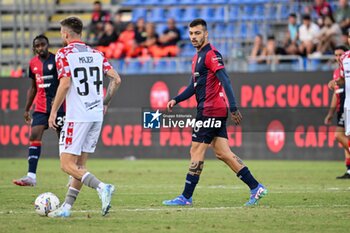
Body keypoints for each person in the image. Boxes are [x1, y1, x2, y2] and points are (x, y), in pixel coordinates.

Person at [162, 18, 267, 207]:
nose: (194, 37)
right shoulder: (196, 58)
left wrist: (233, 107)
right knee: (223, 153)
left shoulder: (211, 54)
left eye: (198, 33)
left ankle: (186, 197)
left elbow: (225, 80)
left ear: (206, 34)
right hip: (213, 109)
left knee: (196, 150)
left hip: (210, 109)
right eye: (191, 33)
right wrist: (176, 99)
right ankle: (255, 187)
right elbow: (193, 86)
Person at [47, 16, 121, 217]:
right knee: (79, 166)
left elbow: (65, 83)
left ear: (65, 34)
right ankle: (67, 208)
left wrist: (53, 111)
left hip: (77, 116)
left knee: (66, 165)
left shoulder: (63, 54)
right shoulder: (96, 53)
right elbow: (116, 78)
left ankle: (102, 187)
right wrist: (105, 103)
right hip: (96, 114)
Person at [13, 35, 65, 187]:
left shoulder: (56, 60)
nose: (41, 47)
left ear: (48, 45)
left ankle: (71, 175)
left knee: (62, 139)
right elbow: (34, 87)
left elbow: (64, 82)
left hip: (59, 106)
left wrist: (57, 98)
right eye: (38, 46)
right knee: (34, 135)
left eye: (43, 44)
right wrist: (27, 109)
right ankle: (31, 176)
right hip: (41, 108)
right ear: (34, 48)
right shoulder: (33, 64)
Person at [324, 45, 350, 179]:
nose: (338, 57)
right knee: (345, 136)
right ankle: (349, 169)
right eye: (336, 55)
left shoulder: (347, 63)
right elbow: (336, 93)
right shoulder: (337, 71)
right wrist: (331, 113)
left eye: (340, 54)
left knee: (339, 135)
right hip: (343, 106)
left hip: (347, 104)